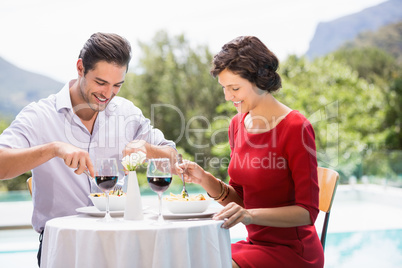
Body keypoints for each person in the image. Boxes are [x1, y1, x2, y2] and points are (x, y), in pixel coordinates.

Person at [0, 32, 176, 266]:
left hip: (121, 244)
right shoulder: (39, 116)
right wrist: (53, 149)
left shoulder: (127, 113)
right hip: (64, 248)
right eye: (101, 82)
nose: (108, 94)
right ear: (80, 68)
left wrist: (147, 148)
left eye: (117, 85)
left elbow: (173, 159)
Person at [176, 36, 324, 268]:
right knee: (189, 258)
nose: (228, 96)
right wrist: (205, 179)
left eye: (234, 88)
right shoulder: (237, 124)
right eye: (224, 88)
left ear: (260, 80)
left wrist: (250, 215)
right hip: (255, 244)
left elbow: (308, 212)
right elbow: (240, 198)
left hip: (293, 252)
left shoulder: (296, 127)